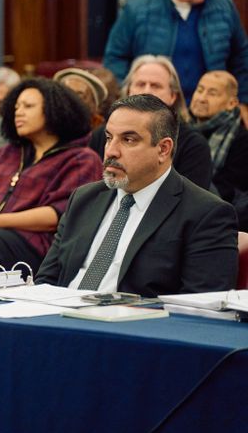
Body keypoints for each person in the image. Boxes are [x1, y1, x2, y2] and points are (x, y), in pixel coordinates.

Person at [36, 95, 238, 297]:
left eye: (128, 140)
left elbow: (201, 307)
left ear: (163, 149)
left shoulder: (205, 213)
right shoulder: (84, 198)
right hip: (61, 318)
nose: (111, 151)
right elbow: (46, 281)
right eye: (108, 138)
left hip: (133, 324)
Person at [0, 78, 103, 271]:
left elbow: (58, 215)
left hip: (38, 246)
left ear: (54, 110)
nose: (19, 113)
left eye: (28, 106)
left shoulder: (81, 159)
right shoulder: (1, 155)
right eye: (16, 108)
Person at [103, 0, 248, 112]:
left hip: (211, 110)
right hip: (155, 110)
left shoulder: (223, 5)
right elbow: (115, 58)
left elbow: (242, 57)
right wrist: (132, 97)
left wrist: (243, 102)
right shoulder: (138, 9)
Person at [89, 55, 213, 190]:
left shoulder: (194, 145)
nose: (147, 91)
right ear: (128, 90)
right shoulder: (100, 135)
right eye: (140, 84)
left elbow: (190, 203)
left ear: (173, 96)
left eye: (156, 86)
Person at [189, 70, 248, 226]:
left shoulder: (242, 141)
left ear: (232, 103)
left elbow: (230, 190)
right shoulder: (181, 128)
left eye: (212, 93)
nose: (201, 98)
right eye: (200, 90)